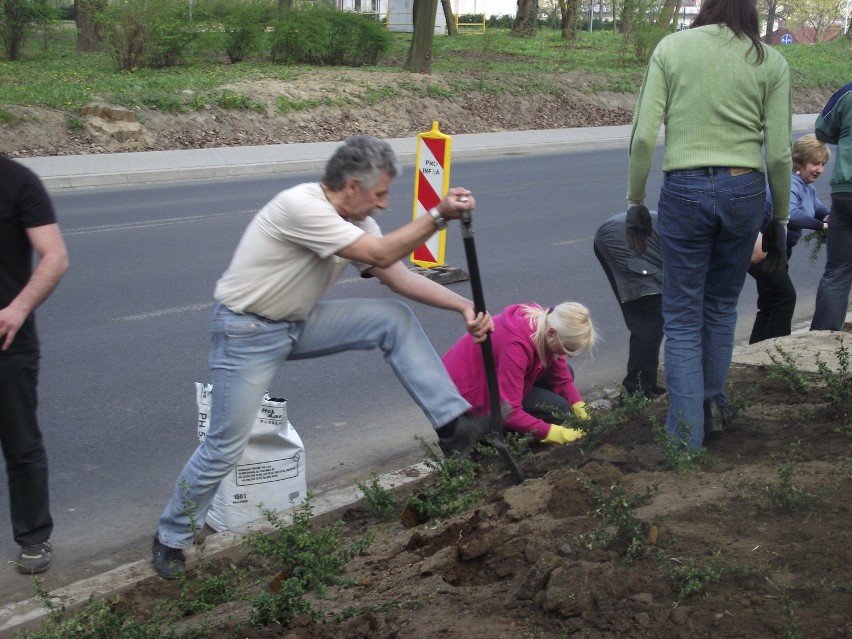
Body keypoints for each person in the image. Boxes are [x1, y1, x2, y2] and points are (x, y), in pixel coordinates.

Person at [152, 135, 501, 579]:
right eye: (379, 193)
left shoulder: (356, 221)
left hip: (295, 322)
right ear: (352, 186)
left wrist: (464, 308)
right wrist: (437, 215)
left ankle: (454, 427)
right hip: (246, 332)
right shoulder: (301, 206)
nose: (383, 204)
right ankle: (171, 537)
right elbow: (379, 253)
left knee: (392, 318)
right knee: (225, 446)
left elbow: (397, 275)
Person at [625, 0, 792, 450]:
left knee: (681, 316)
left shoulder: (672, 48)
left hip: (684, 188)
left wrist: (635, 200)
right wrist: (779, 219)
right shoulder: (769, 59)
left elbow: (642, 135)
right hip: (745, 190)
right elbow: (778, 153)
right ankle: (713, 405)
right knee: (720, 307)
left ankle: (685, 436)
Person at [0, 155, 69, 575]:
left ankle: (33, 538)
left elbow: (54, 256)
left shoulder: (18, 182)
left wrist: (18, 308)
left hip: (8, 340)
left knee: (21, 445)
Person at [442, 302, 596, 445]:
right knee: (557, 408)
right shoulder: (515, 346)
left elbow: (562, 380)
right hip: (464, 397)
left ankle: (516, 426)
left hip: (492, 380)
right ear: (551, 332)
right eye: (567, 348)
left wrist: (582, 410)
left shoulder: (544, 322)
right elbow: (510, 411)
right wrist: (556, 434)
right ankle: (488, 437)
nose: (568, 354)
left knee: (566, 373)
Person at [748, 135, 831, 343]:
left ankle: (757, 350)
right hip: (764, 249)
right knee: (784, 297)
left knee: (769, 302)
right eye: (814, 163)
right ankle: (778, 350)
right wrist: (821, 225)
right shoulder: (789, 182)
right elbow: (790, 212)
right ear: (798, 162)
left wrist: (830, 217)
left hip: (779, 250)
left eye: (822, 164)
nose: (819, 169)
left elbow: (819, 209)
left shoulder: (806, 187)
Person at [593, 211, 665, 400]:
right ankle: (635, 392)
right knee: (650, 320)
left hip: (635, 236)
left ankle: (645, 384)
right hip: (623, 239)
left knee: (655, 319)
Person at [810, 83, 852, 332]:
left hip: (846, 192)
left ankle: (821, 345)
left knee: (837, 271)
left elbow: (822, 130)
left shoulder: (847, 93)